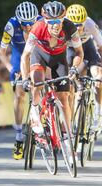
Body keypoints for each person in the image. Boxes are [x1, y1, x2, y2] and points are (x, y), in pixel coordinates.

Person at [20, 1, 83, 137]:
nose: (55, 25)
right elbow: (25, 56)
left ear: (64, 18)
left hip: (59, 60)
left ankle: (67, 135)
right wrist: (25, 79)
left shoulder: (70, 27)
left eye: (59, 20)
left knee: (63, 97)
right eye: (51, 21)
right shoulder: (37, 27)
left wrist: (74, 68)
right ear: (45, 20)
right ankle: (35, 111)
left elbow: (79, 52)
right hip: (39, 56)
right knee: (37, 83)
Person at [0, 1, 40, 160]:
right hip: (17, 58)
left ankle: (46, 122)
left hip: (37, 56)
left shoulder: (41, 22)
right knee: (19, 94)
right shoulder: (11, 25)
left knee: (43, 85)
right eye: (25, 24)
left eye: (31, 23)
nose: (28, 27)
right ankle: (18, 136)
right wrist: (11, 69)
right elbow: (1, 53)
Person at [65, 4, 102, 130]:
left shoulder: (90, 24)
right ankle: (70, 119)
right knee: (69, 83)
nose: (78, 28)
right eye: (74, 25)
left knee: (98, 76)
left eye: (80, 24)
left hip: (87, 46)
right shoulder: (62, 26)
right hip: (70, 49)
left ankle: (98, 111)